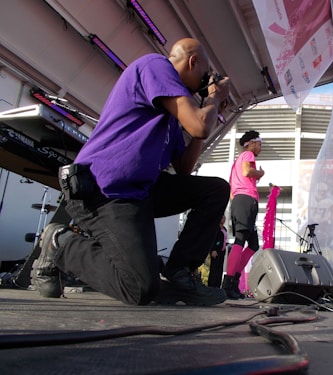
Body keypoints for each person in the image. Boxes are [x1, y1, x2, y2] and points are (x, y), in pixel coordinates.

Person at [31, 38, 231, 306]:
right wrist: (214, 98)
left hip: (140, 191)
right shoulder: (156, 66)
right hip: (104, 190)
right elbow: (198, 125)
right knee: (139, 287)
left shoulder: (170, 115)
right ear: (193, 62)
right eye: (204, 77)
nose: (204, 84)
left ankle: (180, 273)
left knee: (215, 191)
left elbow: (184, 167)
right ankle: (59, 242)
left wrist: (209, 109)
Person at [222, 130, 264, 300]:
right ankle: (228, 283)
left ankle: (233, 280)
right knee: (240, 239)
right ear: (251, 143)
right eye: (259, 143)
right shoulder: (247, 155)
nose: (260, 147)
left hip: (241, 200)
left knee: (253, 244)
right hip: (245, 199)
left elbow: (232, 188)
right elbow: (248, 172)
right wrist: (260, 173)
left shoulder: (235, 164)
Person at [207, 215, 227, 288]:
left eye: (224, 218)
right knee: (214, 270)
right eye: (222, 218)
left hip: (222, 251)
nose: (224, 219)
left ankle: (217, 286)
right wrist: (213, 249)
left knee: (219, 270)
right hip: (215, 251)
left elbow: (223, 240)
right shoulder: (215, 228)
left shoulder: (224, 229)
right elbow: (212, 239)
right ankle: (211, 286)